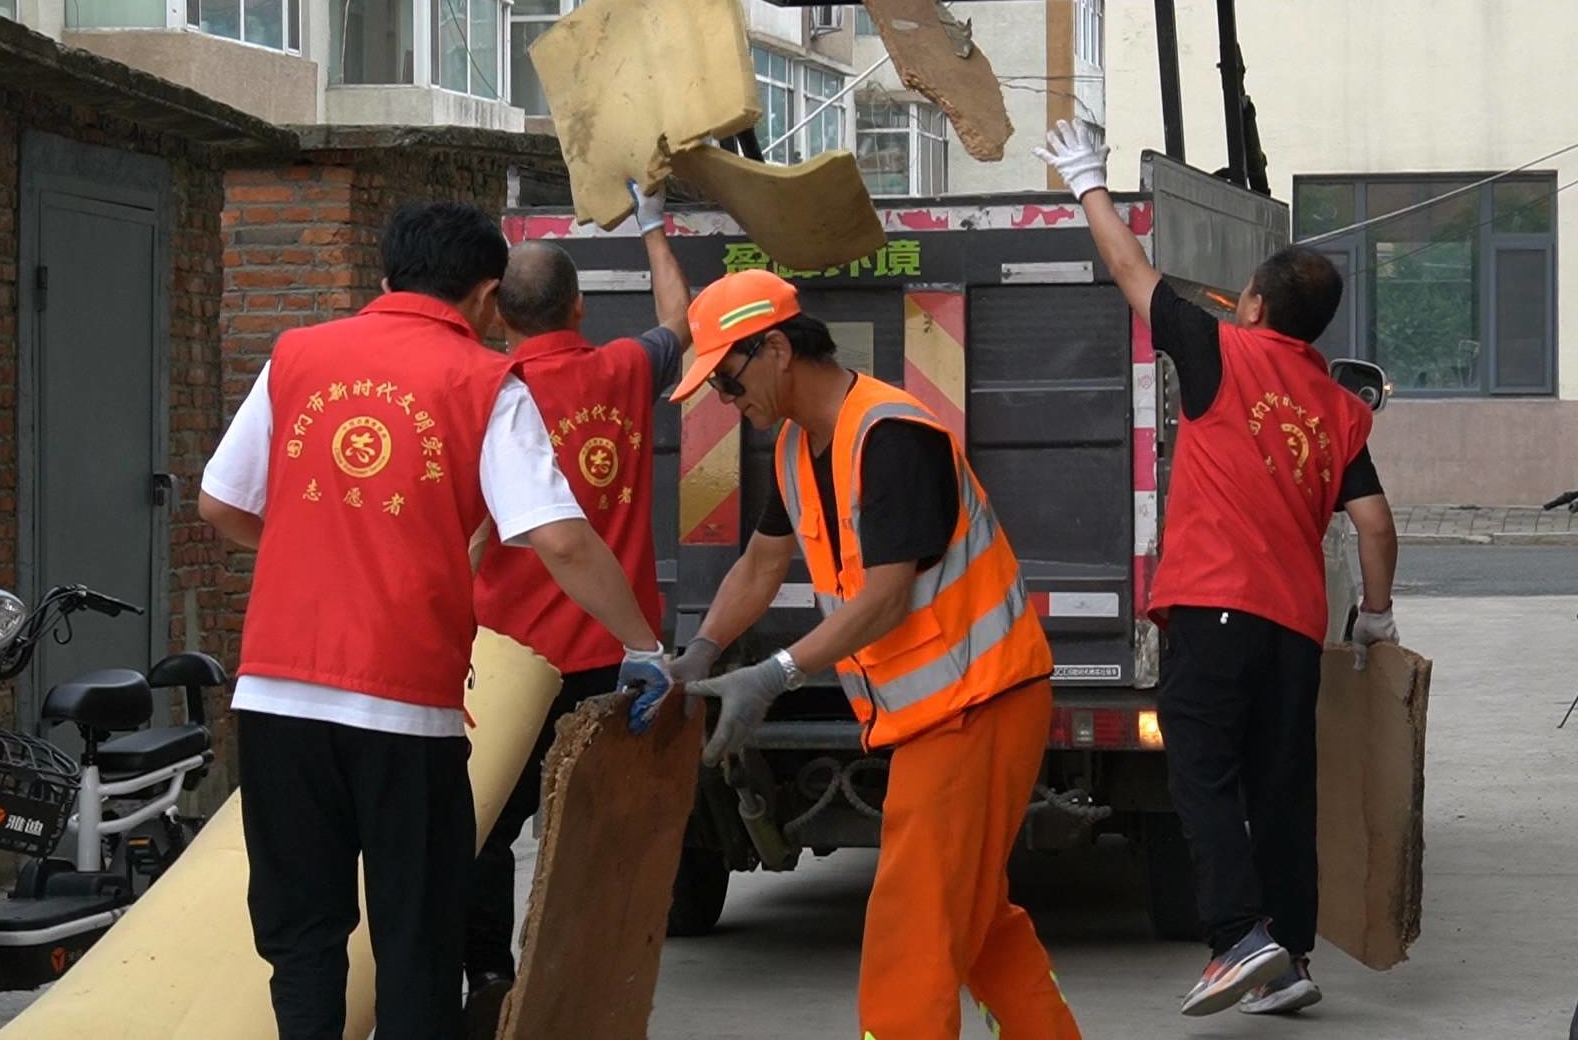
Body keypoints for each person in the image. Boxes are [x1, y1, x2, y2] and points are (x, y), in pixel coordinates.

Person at [197, 200, 674, 1040]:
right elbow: (560, 538)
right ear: (487, 296)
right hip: (402, 708)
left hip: (277, 699)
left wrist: (326, 542)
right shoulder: (487, 382)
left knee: (302, 937)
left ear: (384, 280)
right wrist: (641, 643)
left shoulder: (297, 356)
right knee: (417, 942)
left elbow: (220, 502)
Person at [1036, 118, 1401, 1017]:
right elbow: (1375, 522)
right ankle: (1293, 957)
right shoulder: (1337, 407)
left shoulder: (1221, 354)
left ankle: (1238, 939)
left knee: (1198, 770)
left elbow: (1131, 273)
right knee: (1281, 790)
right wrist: (1377, 617)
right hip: (1291, 627)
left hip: (1212, 609)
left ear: (1254, 307)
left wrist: (1087, 178)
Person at [662, 269, 1082, 1040]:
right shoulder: (796, 446)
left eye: (726, 379)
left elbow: (887, 596)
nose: (726, 401)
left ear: (777, 349)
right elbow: (760, 564)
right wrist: (702, 652)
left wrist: (775, 674)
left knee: (912, 926)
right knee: (974, 919)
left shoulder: (894, 435)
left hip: (979, 703)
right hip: (938, 713)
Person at [460, 182, 691, 1032]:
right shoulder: (626, 368)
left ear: (500, 314)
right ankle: (582, 984)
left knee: (485, 827)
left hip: (509, 664)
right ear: (580, 305)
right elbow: (685, 321)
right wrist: (654, 226)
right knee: (595, 831)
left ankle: (489, 970)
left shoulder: (486, 393)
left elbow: (473, 537)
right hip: (611, 658)